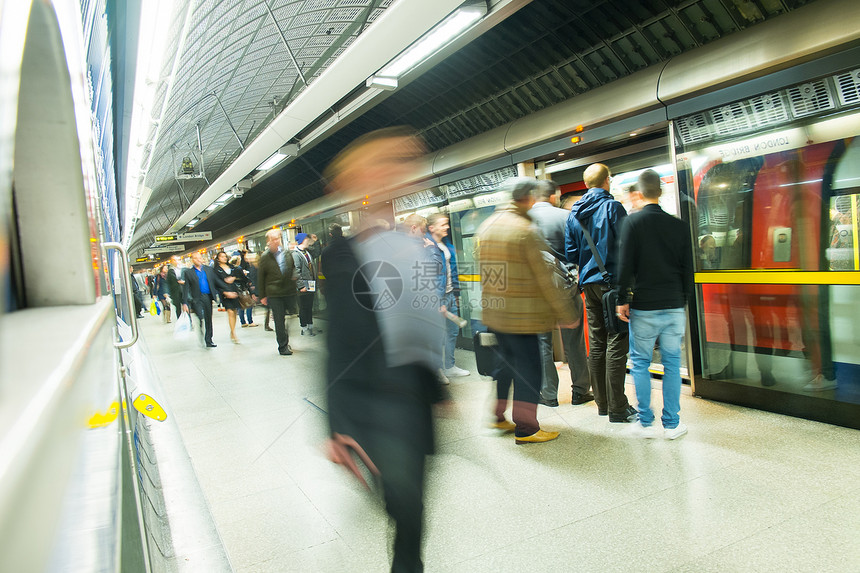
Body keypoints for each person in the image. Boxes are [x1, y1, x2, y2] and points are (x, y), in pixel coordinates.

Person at [322, 127, 442, 573]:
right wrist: (337, 424)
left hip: (410, 398)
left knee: (412, 512)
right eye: (388, 163)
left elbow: (420, 325)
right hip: (372, 403)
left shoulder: (409, 247)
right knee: (406, 509)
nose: (402, 172)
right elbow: (337, 343)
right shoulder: (342, 256)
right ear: (360, 180)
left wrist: (438, 389)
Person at [476, 177, 578, 444]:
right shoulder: (524, 230)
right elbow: (544, 278)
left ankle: (497, 416)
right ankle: (527, 428)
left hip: (496, 314)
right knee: (529, 370)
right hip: (523, 317)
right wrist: (565, 313)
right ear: (527, 198)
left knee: (505, 366)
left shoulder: (486, 227)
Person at [616, 169, 693, 439]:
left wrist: (621, 299)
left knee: (639, 363)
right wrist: (683, 301)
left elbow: (624, 265)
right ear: (659, 192)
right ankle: (672, 424)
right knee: (672, 363)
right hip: (673, 305)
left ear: (640, 193)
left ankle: (645, 423)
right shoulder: (679, 225)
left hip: (644, 306)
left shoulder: (633, 223)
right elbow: (687, 269)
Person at [565, 163, 637, 423]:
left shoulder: (574, 213)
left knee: (596, 344)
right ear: (607, 180)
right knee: (617, 343)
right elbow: (628, 248)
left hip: (589, 286)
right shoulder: (613, 207)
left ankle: (603, 404)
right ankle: (618, 408)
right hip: (613, 285)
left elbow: (571, 254)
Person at [528, 179, 593, 408]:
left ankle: (548, 394)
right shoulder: (566, 217)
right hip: (566, 285)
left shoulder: (523, 220)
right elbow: (582, 252)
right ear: (553, 196)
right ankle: (581, 391)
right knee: (573, 340)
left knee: (542, 342)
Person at [426, 213, 469, 378]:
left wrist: (456, 293)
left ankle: (449, 366)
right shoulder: (427, 246)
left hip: (450, 294)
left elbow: (452, 269)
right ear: (432, 228)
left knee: (452, 332)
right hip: (438, 297)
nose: (447, 227)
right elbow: (429, 277)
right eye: (443, 224)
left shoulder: (445, 244)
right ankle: (437, 370)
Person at [258, 229, 298, 356]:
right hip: (274, 293)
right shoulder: (265, 257)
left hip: (288, 291)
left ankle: (284, 337)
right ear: (268, 241)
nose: (276, 241)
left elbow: (292, 268)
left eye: (278, 238)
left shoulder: (286, 253)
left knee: (291, 315)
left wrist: (294, 278)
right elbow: (261, 277)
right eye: (273, 239)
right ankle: (283, 346)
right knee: (279, 320)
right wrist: (262, 295)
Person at [182, 251, 218, 347]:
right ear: (192, 260)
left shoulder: (209, 269)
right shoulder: (188, 273)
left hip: (207, 297)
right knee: (200, 317)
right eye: (196, 258)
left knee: (208, 318)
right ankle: (201, 327)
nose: (198, 260)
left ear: (202, 259)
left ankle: (209, 340)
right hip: (196, 298)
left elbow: (216, 282)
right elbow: (186, 288)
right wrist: (184, 303)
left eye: (199, 258)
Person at [293, 232, 322, 336]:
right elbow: (296, 271)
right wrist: (301, 286)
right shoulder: (296, 254)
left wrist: (316, 241)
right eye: (307, 239)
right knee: (303, 307)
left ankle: (310, 326)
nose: (309, 241)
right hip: (303, 286)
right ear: (302, 241)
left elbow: (318, 252)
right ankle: (304, 327)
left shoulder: (307, 252)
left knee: (309, 306)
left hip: (310, 284)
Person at [241, 252, 260, 328]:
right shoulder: (253, 267)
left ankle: (243, 321)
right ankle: (250, 321)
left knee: (243, 306)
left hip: (247, 288)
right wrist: (254, 292)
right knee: (249, 304)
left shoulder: (249, 267)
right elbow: (253, 279)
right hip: (251, 288)